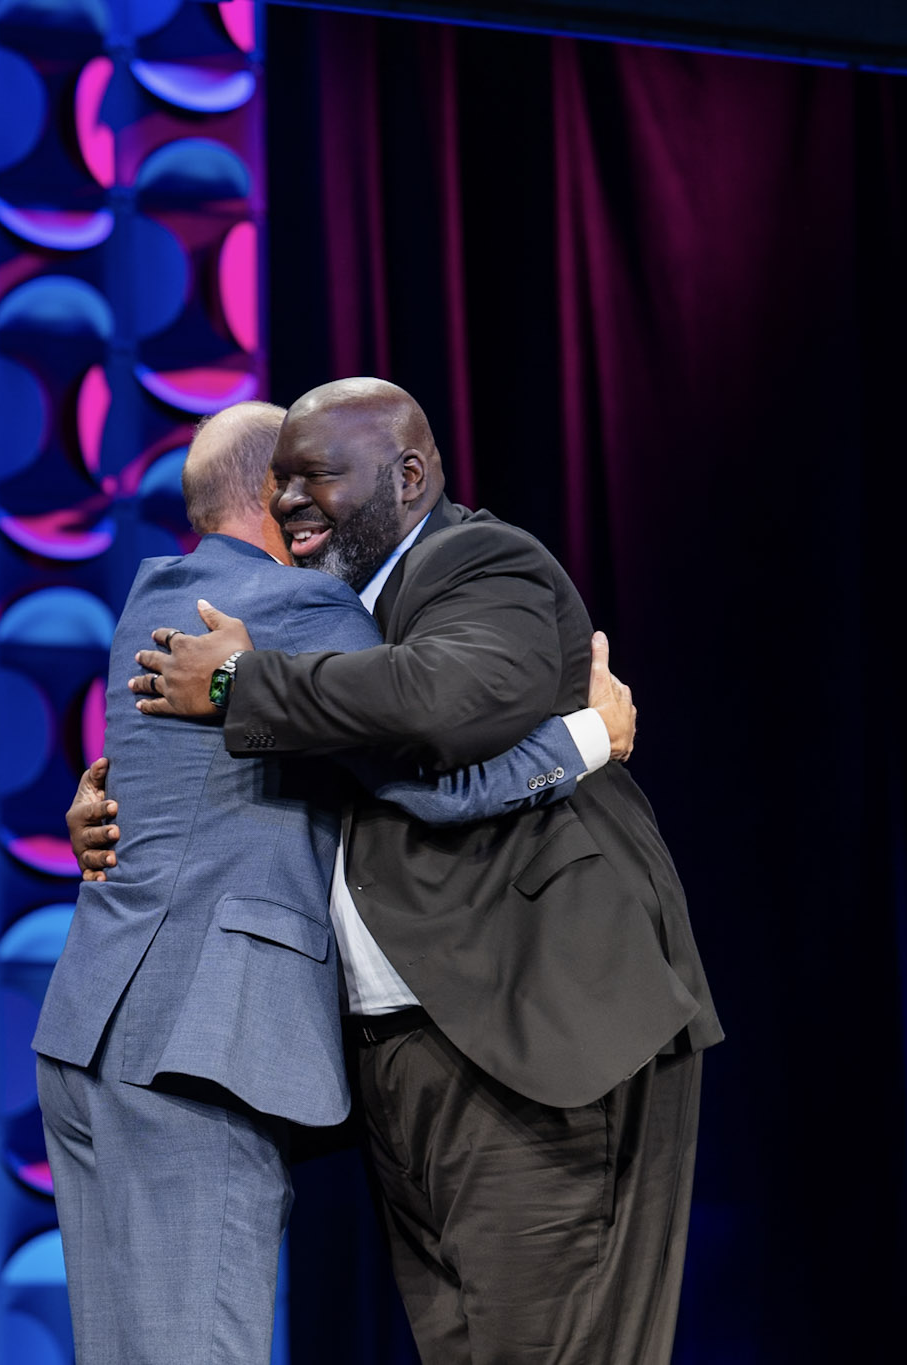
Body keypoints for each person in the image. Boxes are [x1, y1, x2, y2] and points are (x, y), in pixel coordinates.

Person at [121, 378, 722, 1365]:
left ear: (407, 476)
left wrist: (237, 680)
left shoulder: (477, 562)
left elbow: (439, 703)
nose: (288, 501)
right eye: (279, 482)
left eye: (316, 476)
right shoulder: (326, 622)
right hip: (405, 1056)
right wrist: (108, 809)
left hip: (533, 1031)